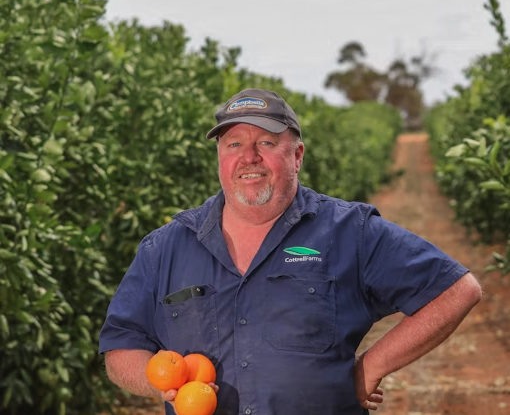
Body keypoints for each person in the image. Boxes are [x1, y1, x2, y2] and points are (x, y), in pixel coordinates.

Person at [99, 88, 482, 415]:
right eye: (234, 144)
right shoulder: (165, 247)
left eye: (265, 143)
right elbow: (122, 347)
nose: (248, 157)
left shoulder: (349, 231)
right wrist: (163, 383)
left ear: (297, 155)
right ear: (220, 157)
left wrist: (371, 366)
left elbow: (456, 290)